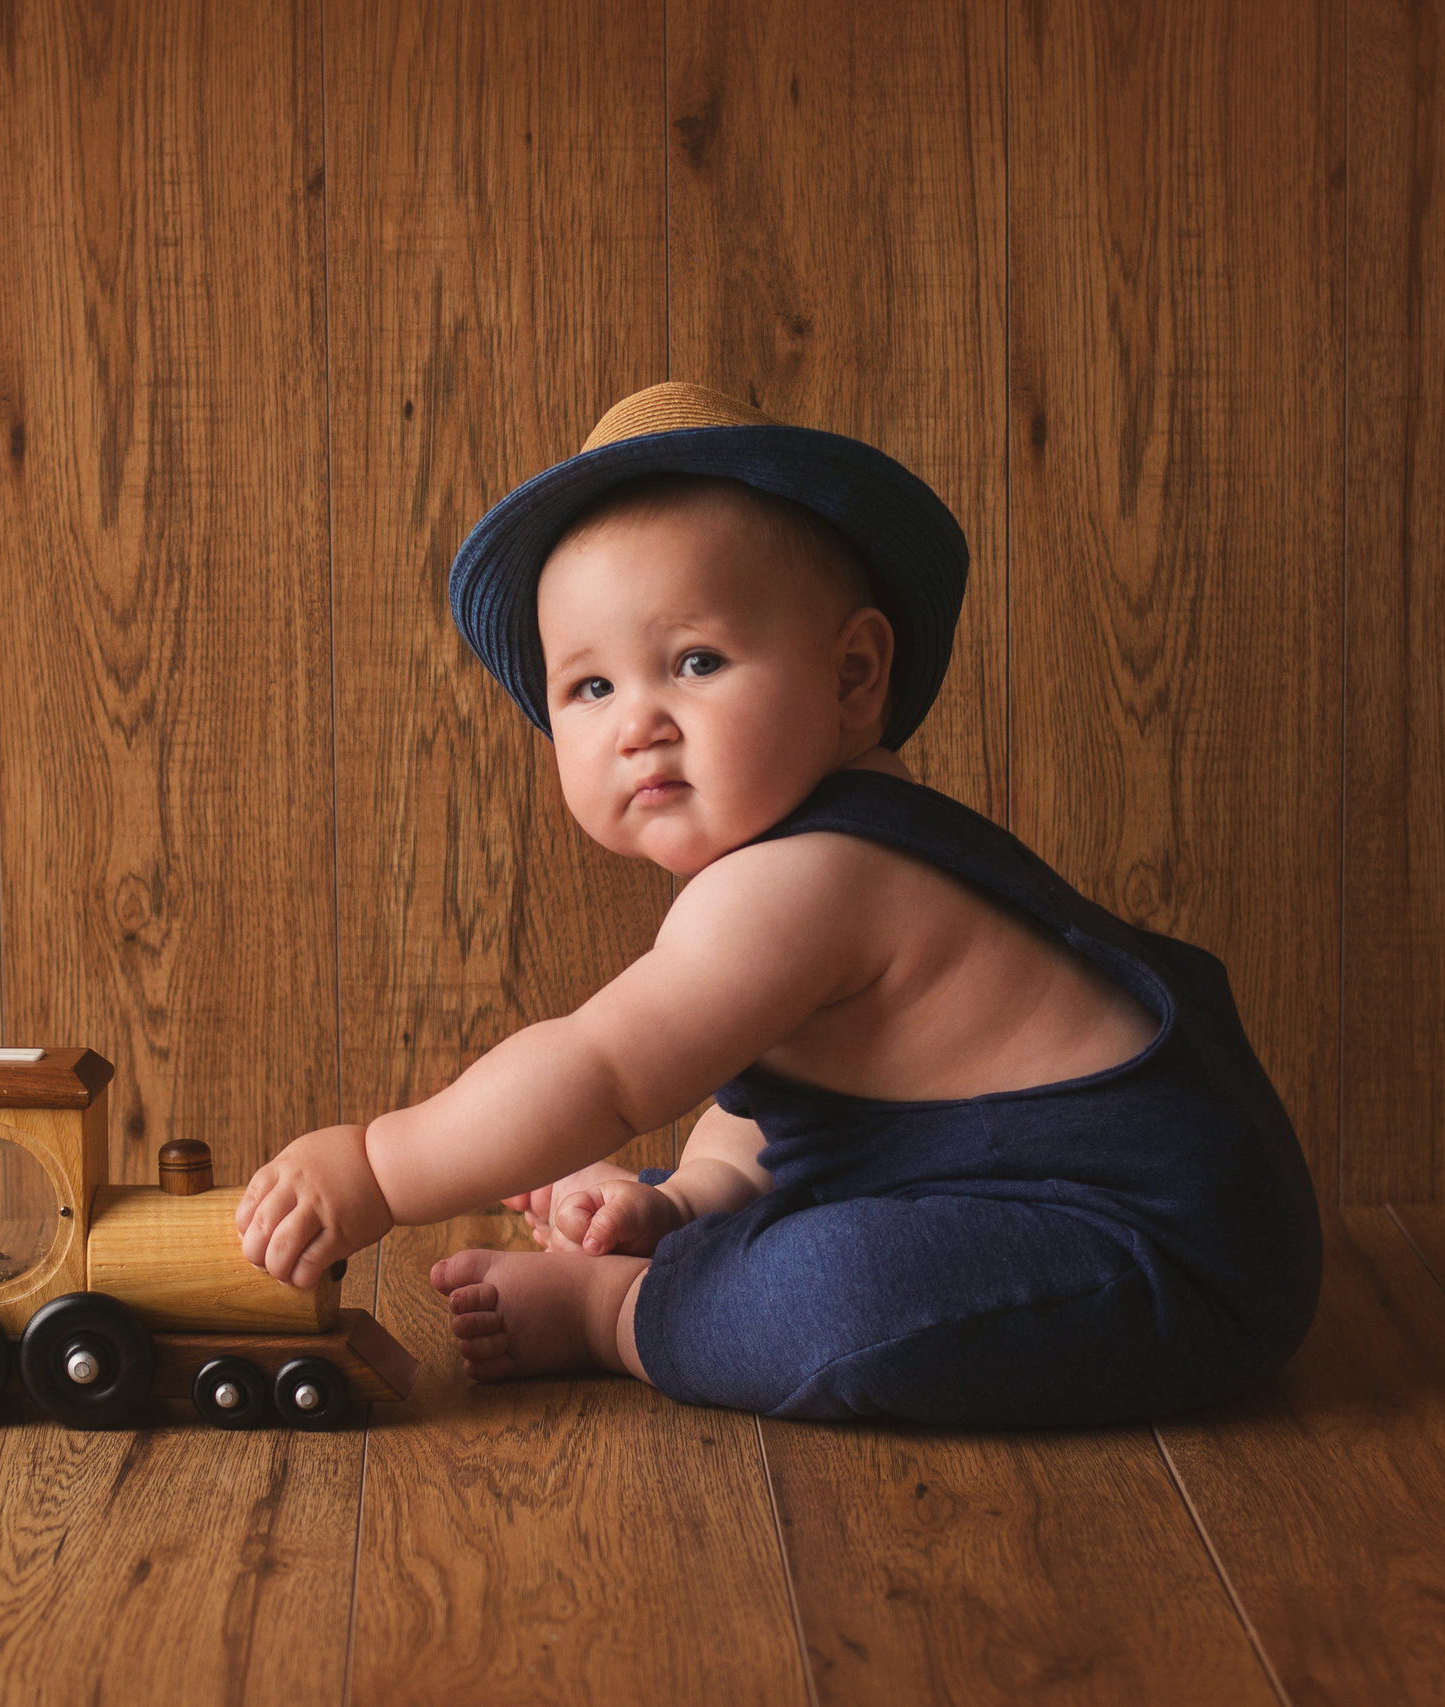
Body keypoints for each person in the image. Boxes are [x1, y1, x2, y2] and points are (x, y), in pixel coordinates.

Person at [235, 382, 1322, 1425]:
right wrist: (688, 1194)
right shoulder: (802, 855)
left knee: (843, 1292)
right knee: (773, 1175)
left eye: (695, 661)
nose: (637, 724)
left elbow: (602, 1071)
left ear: (853, 679)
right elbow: (799, 1109)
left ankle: (619, 1312)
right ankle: (677, 1231)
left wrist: (378, 1165)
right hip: (1038, 1206)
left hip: (1155, 1257)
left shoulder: (806, 881)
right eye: (591, 687)